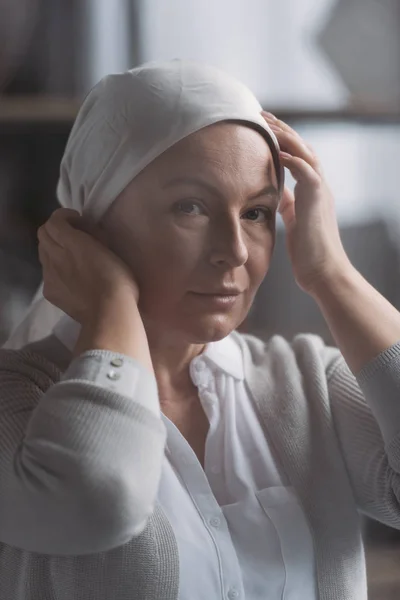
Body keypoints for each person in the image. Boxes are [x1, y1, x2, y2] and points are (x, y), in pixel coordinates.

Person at [1, 60, 400, 600]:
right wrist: (112, 302)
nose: (234, 250)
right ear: (90, 218)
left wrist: (332, 274)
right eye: (190, 207)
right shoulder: (17, 399)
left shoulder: (308, 382)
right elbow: (95, 504)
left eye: (257, 213)